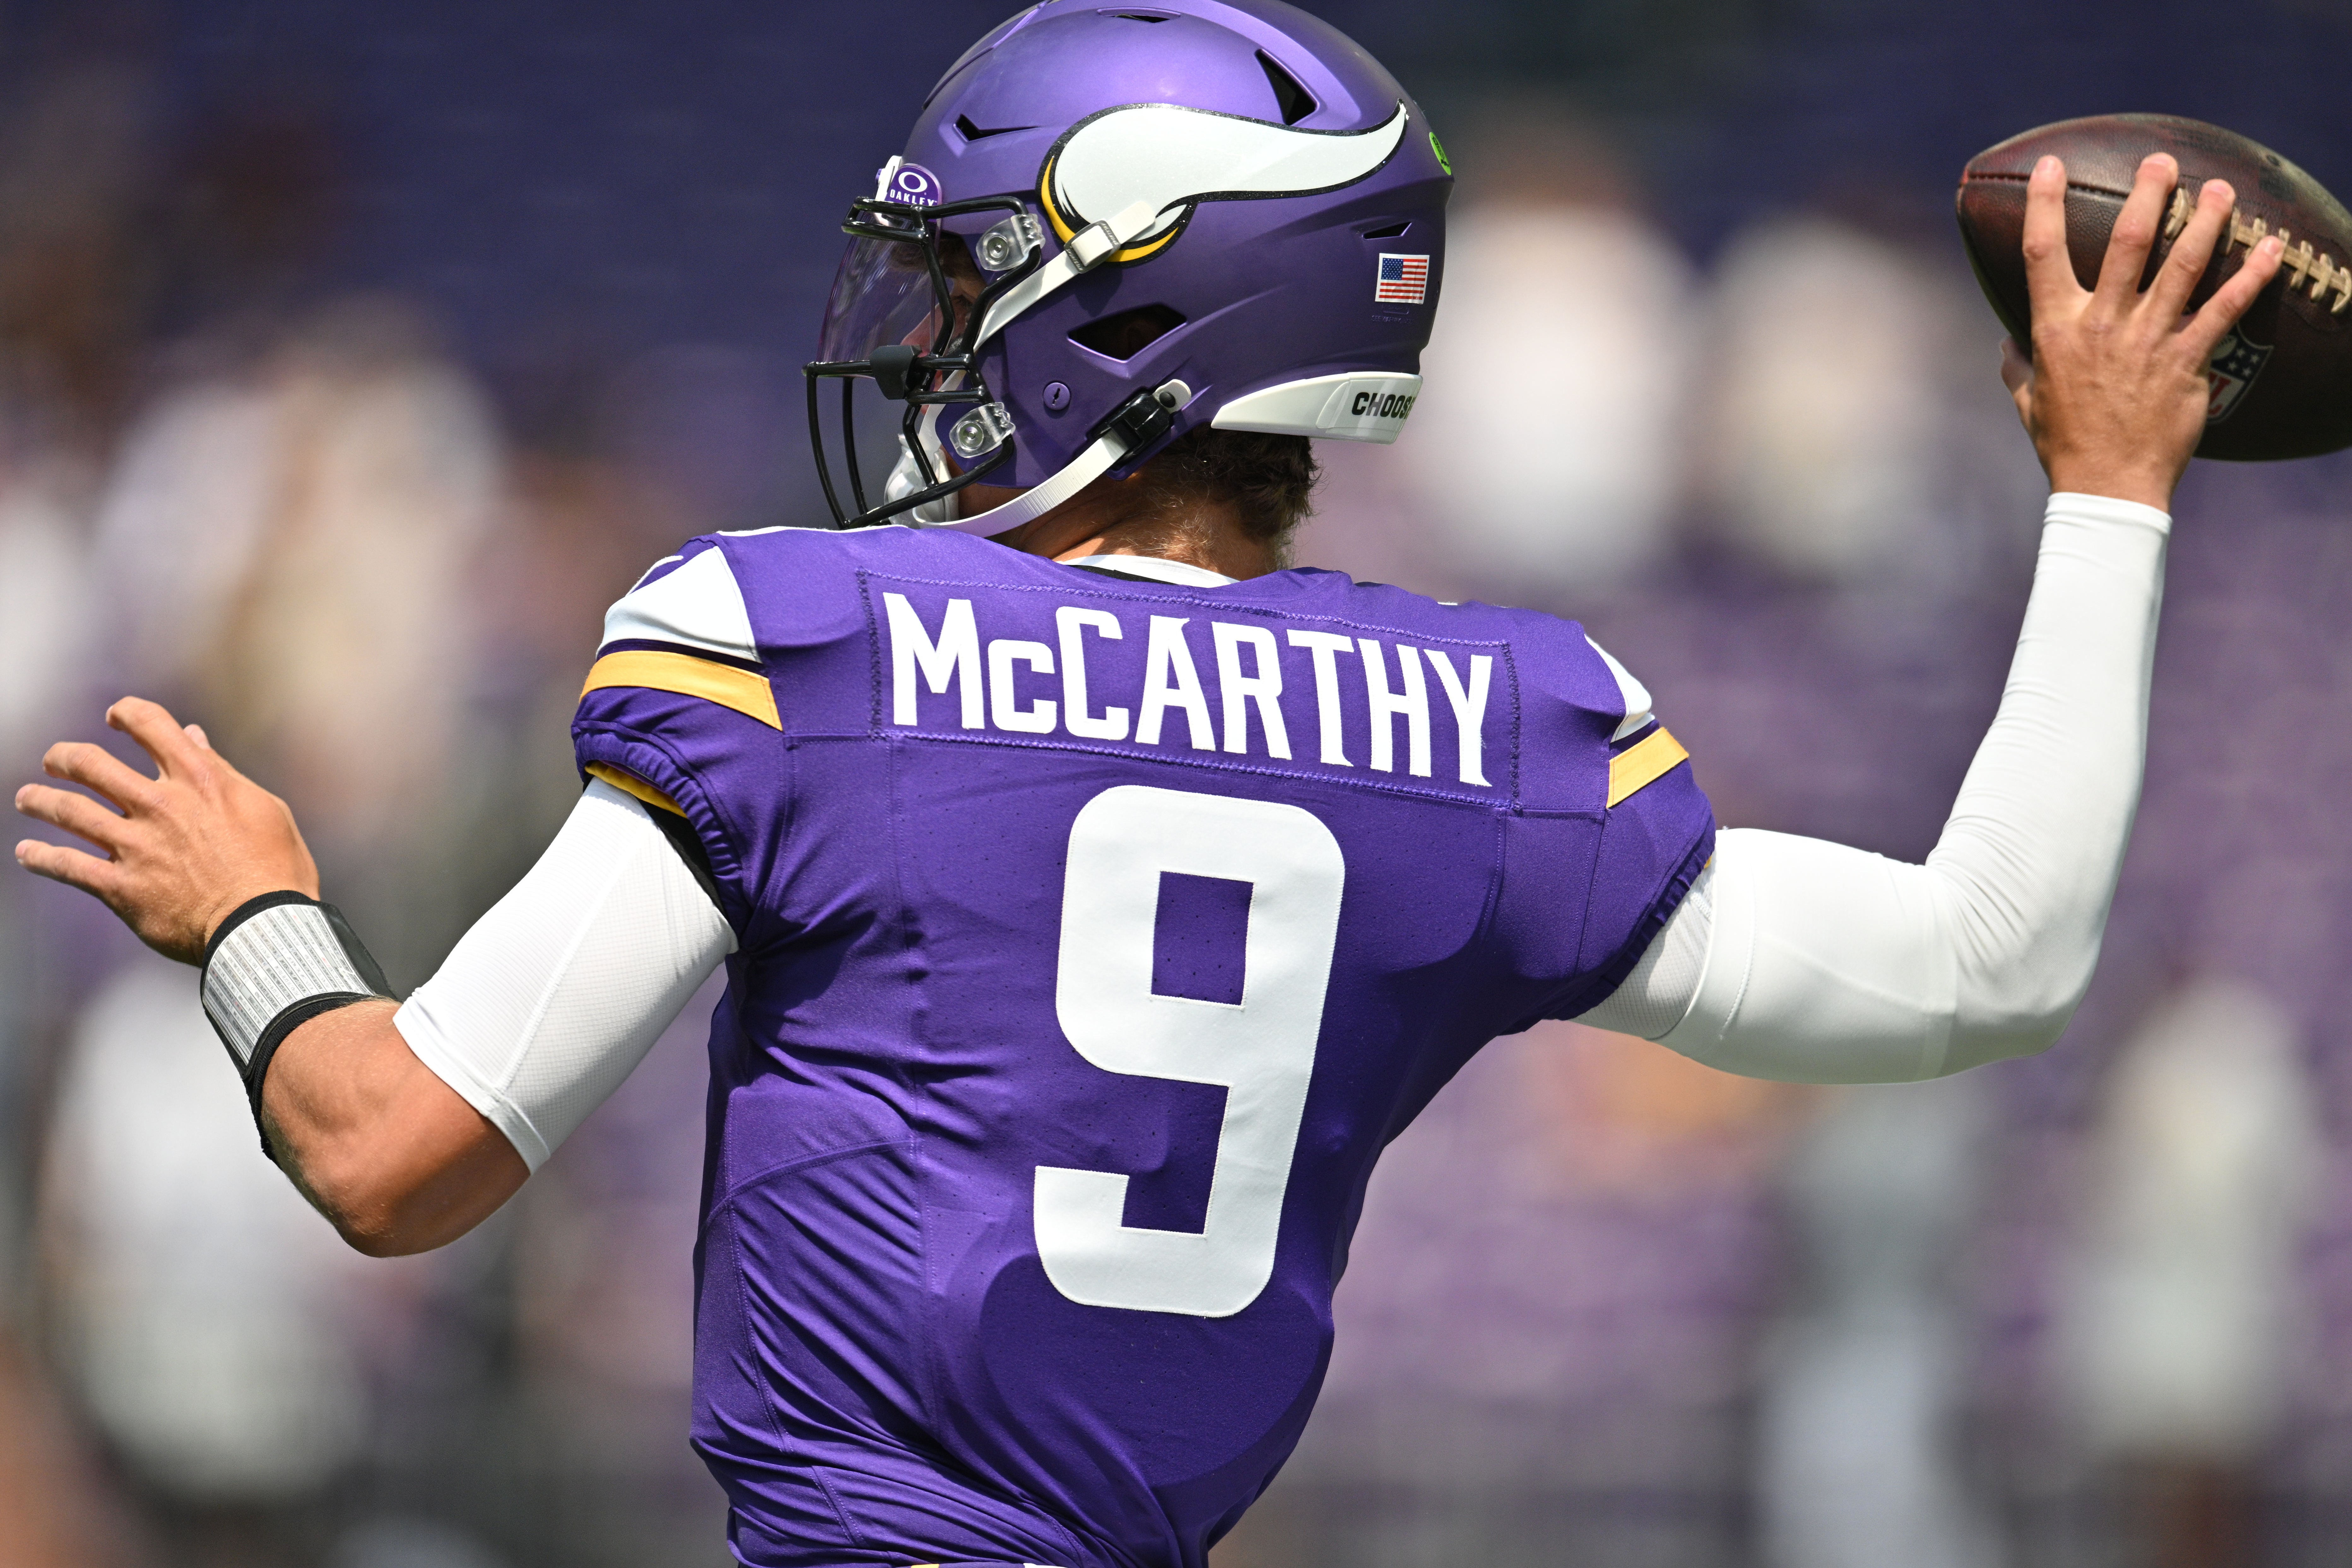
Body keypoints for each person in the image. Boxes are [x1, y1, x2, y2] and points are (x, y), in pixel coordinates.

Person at [11, 3, 2286, 1565]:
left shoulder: (821, 646)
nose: (921, 338)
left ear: (1129, 323)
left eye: (971, 281)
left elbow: (392, 1154)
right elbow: (1994, 961)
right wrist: (2112, 488)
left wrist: (256, 920)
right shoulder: (1487, 732)